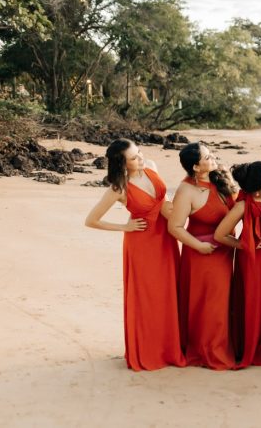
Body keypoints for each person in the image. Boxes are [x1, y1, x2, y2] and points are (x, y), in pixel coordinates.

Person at [84, 139, 185, 371]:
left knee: (168, 292)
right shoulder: (119, 188)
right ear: (122, 164)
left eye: (139, 153)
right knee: (147, 297)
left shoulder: (151, 165)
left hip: (165, 238)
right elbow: (91, 220)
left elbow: (165, 200)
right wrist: (125, 227)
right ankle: (148, 351)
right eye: (134, 158)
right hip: (142, 244)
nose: (140, 158)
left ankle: (170, 349)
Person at [168, 142, 237, 370]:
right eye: (207, 156)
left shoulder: (221, 180)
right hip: (202, 255)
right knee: (209, 306)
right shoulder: (186, 190)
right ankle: (210, 353)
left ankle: (224, 346)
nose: (213, 157)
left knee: (223, 303)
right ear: (196, 167)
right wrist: (198, 246)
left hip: (225, 252)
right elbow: (175, 227)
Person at [214, 161, 261, 368]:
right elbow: (219, 235)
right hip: (254, 258)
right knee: (257, 301)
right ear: (257, 188)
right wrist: (244, 245)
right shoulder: (243, 205)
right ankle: (253, 347)